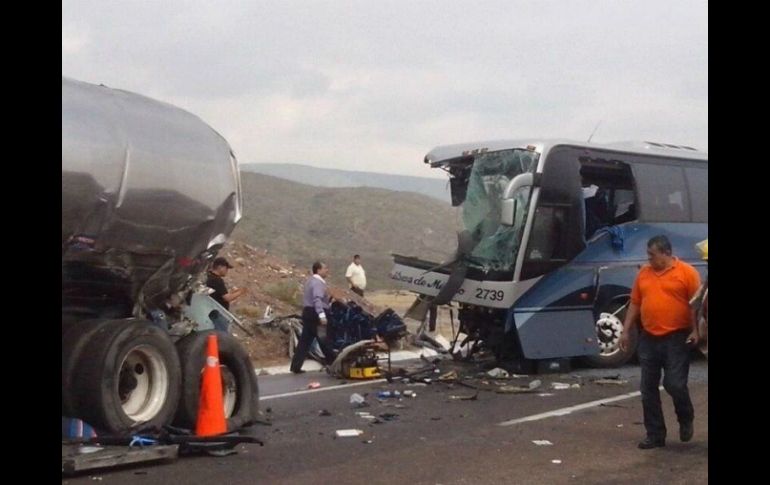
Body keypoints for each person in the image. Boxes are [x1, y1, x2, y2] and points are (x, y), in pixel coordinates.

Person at [619, 235, 701, 449]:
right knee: (647, 388)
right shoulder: (644, 274)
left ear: (666, 253)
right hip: (649, 337)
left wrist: (696, 330)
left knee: (674, 384)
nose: (649, 259)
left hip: (677, 337)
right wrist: (626, 331)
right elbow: (635, 303)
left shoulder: (687, 273)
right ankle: (655, 434)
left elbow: (698, 305)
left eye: (652, 255)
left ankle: (685, 416)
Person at [290, 261, 336, 374]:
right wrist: (322, 315)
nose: (327, 270)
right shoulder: (318, 283)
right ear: (318, 270)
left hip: (308, 313)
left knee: (304, 341)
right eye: (325, 268)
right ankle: (334, 364)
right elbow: (317, 299)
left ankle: (296, 366)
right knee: (324, 340)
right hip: (316, 314)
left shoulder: (309, 281)